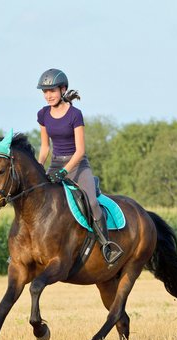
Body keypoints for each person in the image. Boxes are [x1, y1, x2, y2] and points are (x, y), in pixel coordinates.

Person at [36, 68, 123, 266]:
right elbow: (44, 148)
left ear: (63, 89)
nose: (48, 95)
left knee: (91, 202)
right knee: (37, 198)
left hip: (77, 165)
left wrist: (65, 171)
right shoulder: (43, 115)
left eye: (52, 91)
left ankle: (107, 246)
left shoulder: (75, 114)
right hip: (55, 162)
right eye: (45, 91)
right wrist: (39, 167)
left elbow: (80, 150)